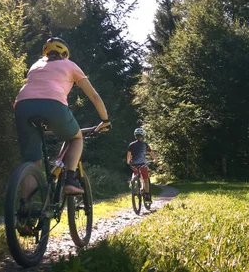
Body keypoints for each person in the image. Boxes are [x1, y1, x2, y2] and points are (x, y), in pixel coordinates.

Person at [13, 37, 111, 194]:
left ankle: (26, 210)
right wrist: (105, 120)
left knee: (32, 160)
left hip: (22, 106)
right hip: (53, 105)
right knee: (76, 138)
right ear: (65, 54)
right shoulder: (69, 65)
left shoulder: (35, 66)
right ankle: (70, 179)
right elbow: (93, 96)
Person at [126, 127, 157, 201]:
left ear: (135, 136)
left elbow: (129, 156)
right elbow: (151, 153)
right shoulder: (145, 145)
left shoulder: (131, 145)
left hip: (134, 164)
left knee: (136, 172)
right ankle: (146, 196)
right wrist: (155, 159)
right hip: (142, 164)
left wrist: (128, 162)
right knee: (145, 179)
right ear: (143, 136)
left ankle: (134, 184)